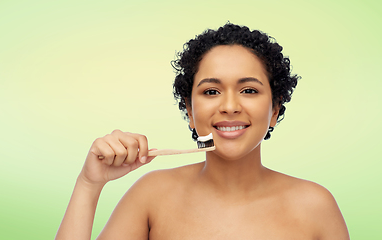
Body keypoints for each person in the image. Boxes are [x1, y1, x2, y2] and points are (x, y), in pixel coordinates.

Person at [56, 23, 350, 239]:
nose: (230, 106)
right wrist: (88, 184)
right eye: (211, 91)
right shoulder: (152, 195)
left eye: (248, 90)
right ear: (190, 111)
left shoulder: (315, 206)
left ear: (274, 110)